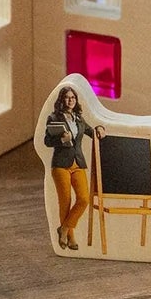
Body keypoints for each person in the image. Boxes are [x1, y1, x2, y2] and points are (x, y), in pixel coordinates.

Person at [44, 84, 105, 251]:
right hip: (60, 164)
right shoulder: (54, 117)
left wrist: (100, 128)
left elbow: (91, 132)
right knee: (65, 201)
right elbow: (47, 141)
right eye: (67, 97)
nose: (70, 100)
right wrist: (61, 140)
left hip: (78, 163)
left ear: (76, 100)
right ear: (62, 100)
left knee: (84, 199)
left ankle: (63, 228)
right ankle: (70, 237)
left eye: (73, 97)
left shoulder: (78, 118)